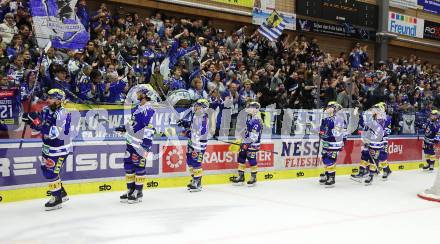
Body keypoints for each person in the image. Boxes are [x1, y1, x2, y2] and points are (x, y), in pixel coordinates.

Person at [21, 89, 72, 210]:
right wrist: (30, 120)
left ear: (59, 100)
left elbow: (54, 133)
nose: (48, 100)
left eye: (51, 98)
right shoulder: (45, 110)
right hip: (47, 147)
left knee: (50, 173)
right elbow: (38, 127)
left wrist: (36, 123)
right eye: (48, 97)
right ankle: (61, 192)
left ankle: (57, 199)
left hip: (59, 148)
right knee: (45, 169)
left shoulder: (64, 114)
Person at [116, 86, 156, 203]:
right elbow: (133, 123)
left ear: (144, 94)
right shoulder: (137, 108)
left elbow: (146, 127)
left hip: (141, 144)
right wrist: (124, 127)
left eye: (139, 92)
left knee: (139, 166)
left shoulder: (149, 109)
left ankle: (138, 192)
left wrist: (145, 144)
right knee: (128, 165)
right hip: (131, 143)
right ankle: (130, 190)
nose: (136, 93)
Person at [177, 98, 210, 192]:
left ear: (203, 108)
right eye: (196, 105)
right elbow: (192, 125)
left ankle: (197, 182)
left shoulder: (204, 119)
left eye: (198, 105)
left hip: (198, 145)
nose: (195, 107)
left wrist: (187, 133)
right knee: (190, 162)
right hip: (191, 143)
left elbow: (200, 133)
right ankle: (194, 179)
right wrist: (184, 122)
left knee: (196, 163)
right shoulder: (196, 116)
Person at [231, 101, 263, 186]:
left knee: (251, 159)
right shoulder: (250, 118)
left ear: (256, 109)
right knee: (241, 158)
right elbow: (246, 132)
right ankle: (241, 177)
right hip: (245, 142)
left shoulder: (257, 121)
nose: (248, 108)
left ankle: (254, 177)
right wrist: (241, 140)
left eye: (250, 107)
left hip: (252, 144)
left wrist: (246, 143)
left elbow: (254, 136)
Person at [318, 101, 345, 187]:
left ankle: (331, 177)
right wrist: (321, 133)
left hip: (334, 143)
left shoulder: (339, 119)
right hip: (326, 142)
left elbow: (337, 132)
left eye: (329, 106)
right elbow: (322, 129)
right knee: (325, 158)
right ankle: (327, 174)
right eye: (327, 106)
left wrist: (327, 134)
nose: (327, 108)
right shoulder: (325, 119)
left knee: (330, 159)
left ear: (334, 108)